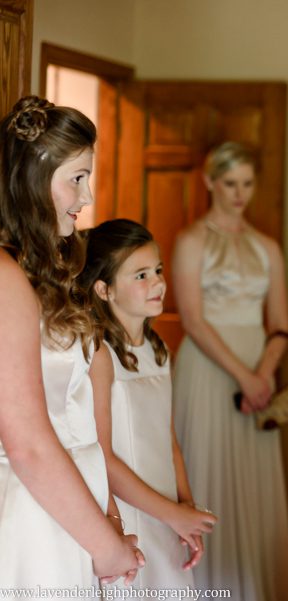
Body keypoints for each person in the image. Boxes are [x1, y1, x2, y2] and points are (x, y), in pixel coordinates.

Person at [0, 96, 144, 589]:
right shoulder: (2, 277)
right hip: (32, 513)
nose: (86, 198)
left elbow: (78, 415)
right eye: (76, 178)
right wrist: (106, 549)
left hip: (74, 508)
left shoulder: (43, 271)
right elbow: (28, 445)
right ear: (35, 180)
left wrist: (109, 517)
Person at [171, 141, 288, 599]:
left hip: (257, 368)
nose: (240, 193)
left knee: (253, 481)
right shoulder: (192, 241)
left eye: (247, 183)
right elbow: (192, 319)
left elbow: (281, 325)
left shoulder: (267, 247)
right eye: (230, 183)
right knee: (205, 470)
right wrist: (244, 377)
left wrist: (263, 374)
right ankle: (203, 583)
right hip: (208, 368)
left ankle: (250, 585)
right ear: (209, 182)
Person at [79, 218, 218, 587]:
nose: (158, 282)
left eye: (157, 270)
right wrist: (171, 513)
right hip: (129, 514)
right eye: (140, 275)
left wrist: (186, 507)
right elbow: (103, 457)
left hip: (166, 511)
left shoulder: (158, 352)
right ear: (104, 290)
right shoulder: (101, 356)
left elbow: (168, 439)